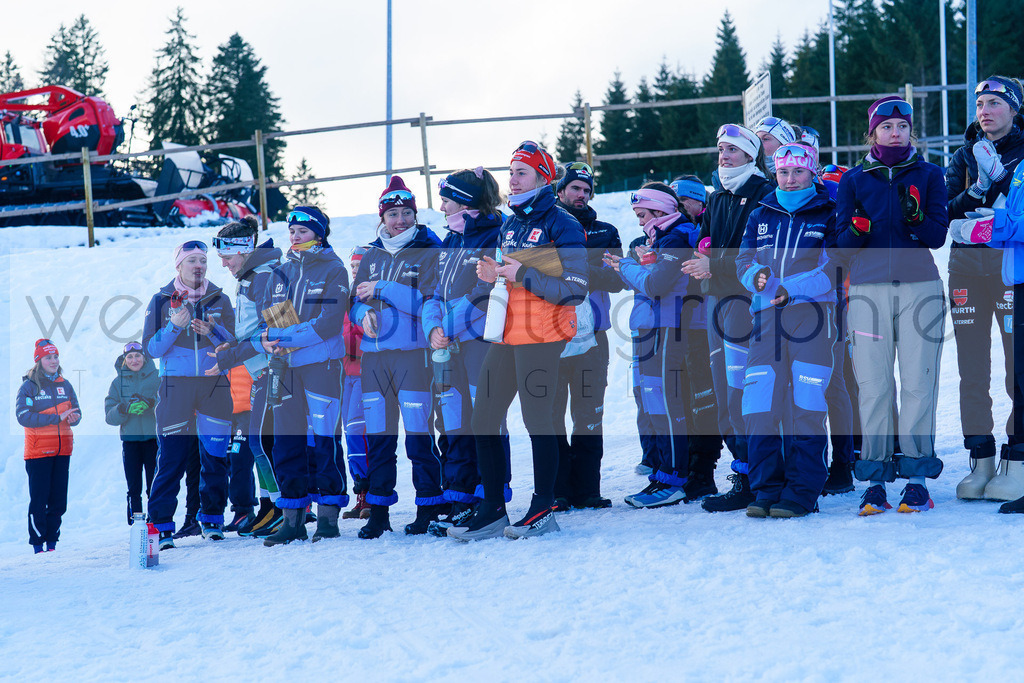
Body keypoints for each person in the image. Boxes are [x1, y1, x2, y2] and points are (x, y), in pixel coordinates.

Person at [448, 140, 588, 541]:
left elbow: (575, 288)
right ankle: (493, 509)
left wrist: (520, 274)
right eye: (510, 172)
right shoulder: (510, 224)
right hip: (507, 333)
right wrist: (494, 274)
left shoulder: (562, 223)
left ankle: (543, 507)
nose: (512, 179)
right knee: (483, 420)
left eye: (521, 172)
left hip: (543, 335)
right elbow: (510, 275)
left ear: (543, 178)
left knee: (537, 421)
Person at [836, 95, 948, 515]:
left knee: (919, 383)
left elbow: (937, 235)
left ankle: (917, 480)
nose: (895, 133)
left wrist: (917, 219)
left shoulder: (930, 174)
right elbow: (840, 247)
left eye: (902, 127)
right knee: (874, 386)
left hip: (920, 288)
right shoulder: (853, 180)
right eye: (886, 127)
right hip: (868, 292)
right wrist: (857, 230)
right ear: (873, 132)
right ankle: (876, 481)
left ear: (910, 131)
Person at [237, 206, 350, 546]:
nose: (296, 236)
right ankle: (293, 519)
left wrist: (284, 338)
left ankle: (327, 517)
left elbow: (329, 323)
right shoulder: (281, 273)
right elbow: (270, 321)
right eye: (292, 231)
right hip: (284, 368)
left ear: (319, 233)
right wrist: (273, 339)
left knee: (325, 439)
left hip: (321, 366)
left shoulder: (334, 268)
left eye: (303, 230)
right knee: (287, 441)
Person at [737, 142, 838, 518]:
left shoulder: (829, 211)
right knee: (759, 401)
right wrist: (758, 279)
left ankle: (802, 491)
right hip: (766, 318)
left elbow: (834, 267)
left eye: (798, 171)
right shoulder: (761, 212)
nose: (790, 179)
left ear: (812, 172)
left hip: (812, 316)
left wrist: (788, 289)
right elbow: (743, 260)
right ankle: (766, 488)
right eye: (783, 172)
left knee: (806, 402)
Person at [683, 123, 773, 512]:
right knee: (723, 392)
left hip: (745, 301)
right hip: (716, 301)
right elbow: (705, 239)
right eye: (721, 149)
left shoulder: (764, 193)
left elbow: (757, 255)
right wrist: (704, 251)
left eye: (732, 150)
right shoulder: (718, 195)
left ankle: (758, 476)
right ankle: (743, 471)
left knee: (742, 391)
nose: (724, 156)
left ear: (751, 155)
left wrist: (714, 264)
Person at [945, 76, 1024, 502]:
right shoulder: (963, 155)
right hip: (965, 268)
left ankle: (1017, 458)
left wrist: (998, 181)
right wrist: (977, 186)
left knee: (1018, 366)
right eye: (980, 105)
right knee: (971, 368)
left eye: (995, 103)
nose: (985, 111)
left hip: (1010, 268)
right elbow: (946, 213)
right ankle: (981, 460)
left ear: (1013, 109)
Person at [351, 178, 443, 539]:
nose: (400, 220)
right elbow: (354, 300)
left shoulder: (430, 248)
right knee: (379, 438)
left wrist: (384, 288)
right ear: (382, 218)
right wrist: (362, 315)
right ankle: (379, 512)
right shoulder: (371, 253)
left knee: (419, 435)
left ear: (415, 214)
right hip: (375, 359)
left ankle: (429, 506)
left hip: (413, 356)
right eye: (392, 214)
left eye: (406, 213)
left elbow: (429, 303)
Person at [421, 168, 509, 534]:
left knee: (486, 422)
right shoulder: (450, 239)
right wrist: (433, 327)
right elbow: (431, 290)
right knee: (453, 421)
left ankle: (491, 498)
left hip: (479, 344)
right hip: (449, 345)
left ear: (465, 201)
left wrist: (449, 326)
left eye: (446, 200)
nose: (441, 207)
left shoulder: (494, 234)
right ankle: (461, 499)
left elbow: (485, 293)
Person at [606, 183, 698, 508]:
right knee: (651, 400)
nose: (639, 221)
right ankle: (661, 474)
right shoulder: (660, 237)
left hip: (667, 325)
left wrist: (626, 265)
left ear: (660, 210)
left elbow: (656, 284)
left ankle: (673, 478)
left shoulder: (677, 236)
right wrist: (628, 266)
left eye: (642, 214)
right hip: (651, 325)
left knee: (663, 400)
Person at [145, 240, 236, 549]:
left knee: (215, 456)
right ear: (179, 266)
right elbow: (151, 349)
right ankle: (161, 527)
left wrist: (213, 331)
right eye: (192, 261)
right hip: (176, 386)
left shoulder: (220, 298)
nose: (199, 266)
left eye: (203, 260)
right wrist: (174, 326)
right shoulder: (161, 300)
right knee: (171, 457)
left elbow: (234, 344)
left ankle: (212, 520)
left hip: (214, 384)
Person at [552, 161, 623, 510]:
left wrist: (572, 270)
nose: (581, 195)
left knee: (589, 414)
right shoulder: (546, 226)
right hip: (550, 335)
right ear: (560, 190)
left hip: (594, 336)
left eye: (586, 190)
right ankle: (558, 489)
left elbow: (618, 279)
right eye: (575, 188)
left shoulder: (605, 231)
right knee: (551, 414)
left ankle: (588, 489)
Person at [210, 217, 286, 537]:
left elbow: (279, 330)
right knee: (260, 442)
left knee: (263, 442)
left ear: (243, 251)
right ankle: (269, 506)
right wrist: (232, 344)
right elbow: (255, 330)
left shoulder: (264, 276)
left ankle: (282, 508)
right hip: (259, 369)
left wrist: (232, 355)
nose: (224, 264)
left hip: (275, 369)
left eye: (227, 257)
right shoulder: (249, 276)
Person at [670, 174, 723, 502]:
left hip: (707, 324)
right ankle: (693, 467)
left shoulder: (703, 230)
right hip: (684, 325)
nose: (677, 207)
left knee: (705, 398)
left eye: (683, 201)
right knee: (689, 397)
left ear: (699, 203)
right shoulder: (671, 231)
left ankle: (704, 471)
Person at [17, 339, 81, 553]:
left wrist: (74, 418)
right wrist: (56, 418)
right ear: (38, 361)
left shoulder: (66, 385)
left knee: (58, 502)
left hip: (63, 451)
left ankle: (52, 544)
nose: (53, 361)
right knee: (39, 501)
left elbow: (76, 411)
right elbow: (23, 416)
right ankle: (38, 545)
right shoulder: (29, 387)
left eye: (55, 357)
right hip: (38, 454)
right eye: (48, 357)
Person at [104, 341, 159, 525]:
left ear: (144, 357)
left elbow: (168, 402)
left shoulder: (157, 377)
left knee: (154, 484)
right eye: (130, 357)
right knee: (134, 486)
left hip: (153, 440)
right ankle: (137, 523)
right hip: (130, 442)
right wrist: (123, 408)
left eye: (137, 356)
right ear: (124, 360)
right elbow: (109, 416)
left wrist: (151, 403)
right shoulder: (117, 383)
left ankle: (156, 519)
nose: (134, 360)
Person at [341, 246, 371, 520]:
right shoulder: (346, 296)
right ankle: (360, 493)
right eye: (352, 266)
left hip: (366, 373)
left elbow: (369, 336)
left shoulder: (371, 297)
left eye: (359, 265)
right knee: (349, 434)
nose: (355, 271)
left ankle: (371, 492)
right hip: (345, 375)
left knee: (357, 431)